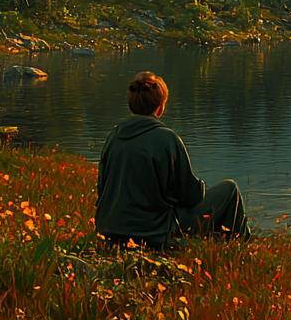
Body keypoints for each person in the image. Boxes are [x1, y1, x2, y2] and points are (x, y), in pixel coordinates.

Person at [95, 71, 252, 250]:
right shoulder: (167, 139)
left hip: (109, 229)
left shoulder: (113, 137)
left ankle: (223, 244)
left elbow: (102, 188)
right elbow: (191, 197)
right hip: (153, 232)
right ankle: (238, 247)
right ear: (160, 107)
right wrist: (200, 186)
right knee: (229, 189)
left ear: (131, 105)